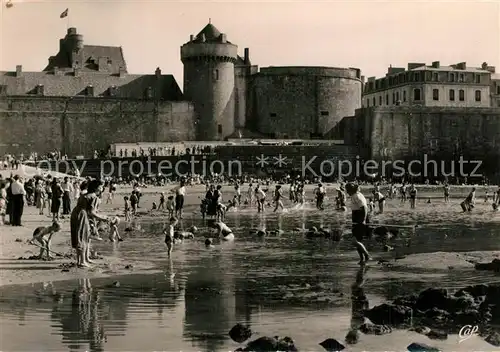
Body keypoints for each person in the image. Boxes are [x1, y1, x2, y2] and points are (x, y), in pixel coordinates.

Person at [70, 180, 110, 268]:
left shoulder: (84, 195)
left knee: (79, 236)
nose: (102, 188)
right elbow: (92, 212)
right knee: (83, 237)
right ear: (96, 188)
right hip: (82, 215)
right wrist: (103, 218)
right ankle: (83, 261)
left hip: (75, 214)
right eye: (100, 186)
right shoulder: (94, 197)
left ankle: (81, 260)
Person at [345, 182, 371, 265]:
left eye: (348, 190)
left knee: (355, 241)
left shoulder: (357, 196)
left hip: (360, 218)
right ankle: (362, 258)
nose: (347, 191)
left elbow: (364, 208)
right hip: (356, 218)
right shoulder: (354, 196)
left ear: (351, 190)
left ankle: (367, 255)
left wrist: (363, 220)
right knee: (357, 240)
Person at [345, 266, 369, 345]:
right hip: (357, 314)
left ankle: (363, 269)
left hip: (357, 314)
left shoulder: (356, 326)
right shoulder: (358, 292)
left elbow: (365, 302)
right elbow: (365, 302)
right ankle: (363, 269)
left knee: (359, 280)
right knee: (359, 280)